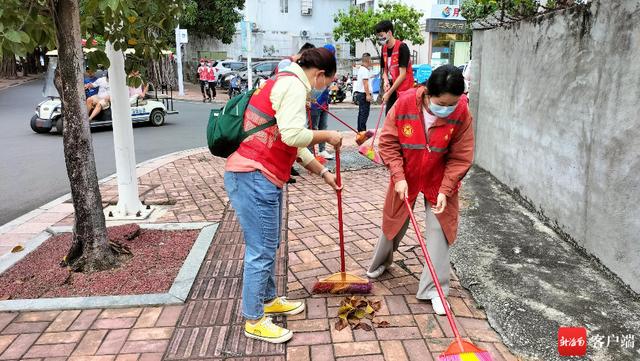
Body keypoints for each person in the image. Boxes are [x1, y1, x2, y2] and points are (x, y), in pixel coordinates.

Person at [224, 48, 342, 344]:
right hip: (253, 175)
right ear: (319, 74)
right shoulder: (292, 84)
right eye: (326, 83)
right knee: (260, 250)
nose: (322, 89)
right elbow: (293, 135)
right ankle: (254, 320)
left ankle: (268, 300)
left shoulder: (286, 80)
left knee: (269, 244)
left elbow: (294, 146)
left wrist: (325, 174)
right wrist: (326, 136)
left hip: (260, 176)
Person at [366, 65, 473, 316]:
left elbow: (461, 156)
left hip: (440, 177)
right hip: (407, 173)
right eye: (442, 103)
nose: (447, 109)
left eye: (453, 103)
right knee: (394, 220)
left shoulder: (462, 111)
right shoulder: (404, 104)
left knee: (440, 229)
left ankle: (435, 289)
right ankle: (380, 262)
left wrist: (446, 190)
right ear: (427, 93)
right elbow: (389, 142)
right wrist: (399, 176)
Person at [375, 20, 415, 114]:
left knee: (401, 118)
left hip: (404, 90)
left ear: (389, 33)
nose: (379, 38)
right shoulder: (384, 49)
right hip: (392, 87)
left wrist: (388, 93)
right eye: (378, 36)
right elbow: (384, 70)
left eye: (381, 35)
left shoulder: (402, 47)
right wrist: (385, 81)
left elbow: (402, 75)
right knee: (389, 115)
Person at [309, 44, 336, 160]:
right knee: (312, 128)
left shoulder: (329, 68)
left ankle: (322, 150)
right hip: (314, 104)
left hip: (324, 103)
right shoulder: (315, 68)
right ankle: (310, 153)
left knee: (323, 127)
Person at [353, 53, 373, 132]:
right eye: (370, 60)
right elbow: (365, 83)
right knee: (364, 114)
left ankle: (360, 131)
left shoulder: (362, 69)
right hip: (364, 94)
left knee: (361, 113)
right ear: (368, 60)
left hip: (361, 94)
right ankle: (362, 131)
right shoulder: (364, 70)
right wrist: (368, 95)